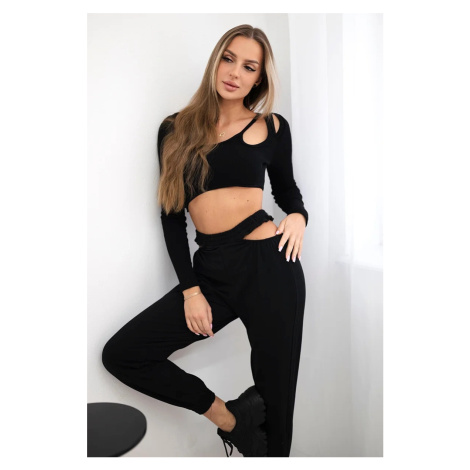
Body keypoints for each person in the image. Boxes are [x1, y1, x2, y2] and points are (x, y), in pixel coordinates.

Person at [101, 24, 308, 458]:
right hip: (213, 271)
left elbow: (287, 192)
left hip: (270, 267)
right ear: (216, 61)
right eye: (229, 59)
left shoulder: (271, 126)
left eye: (249, 67)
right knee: (123, 353)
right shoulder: (175, 129)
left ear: (259, 79)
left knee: (278, 412)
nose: (235, 72)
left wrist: (298, 217)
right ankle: (231, 420)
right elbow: (171, 217)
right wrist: (191, 290)